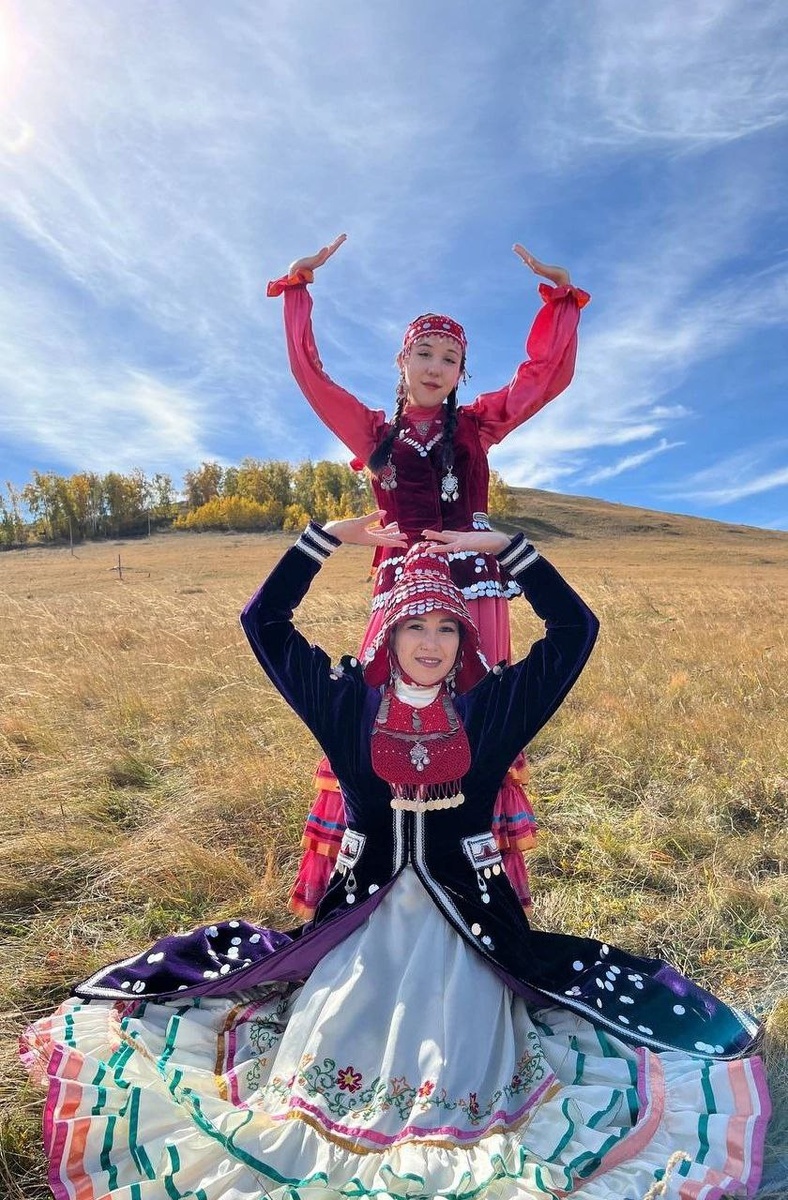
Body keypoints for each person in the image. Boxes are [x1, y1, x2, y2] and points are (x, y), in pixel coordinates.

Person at [22, 513, 768, 1200]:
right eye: (416, 624)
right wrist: (324, 539)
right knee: (335, 1039)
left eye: (447, 627)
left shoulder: (493, 709)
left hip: (470, 931)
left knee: (470, 1053)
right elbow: (264, 621)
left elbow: (575, 629)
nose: (431, 642)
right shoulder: (345, 704)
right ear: (388, 631)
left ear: (464, 641)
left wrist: (506, 550)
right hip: (362, 925)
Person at [268, 236, 591, 920]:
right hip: (399, 589)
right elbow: (311, 377)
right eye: (425, 353)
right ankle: (376, 882)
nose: (437, 367)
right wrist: (298, 292)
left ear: (462, 371)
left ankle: (469, 887)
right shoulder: (373, 433)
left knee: (475, 724)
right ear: (403, 360)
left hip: (474, 589)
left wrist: (561, 301)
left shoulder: (477, 426)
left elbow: (545, 377)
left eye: (450, 358)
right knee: (380, 715)